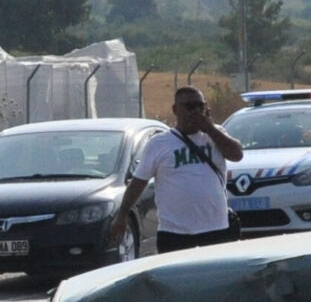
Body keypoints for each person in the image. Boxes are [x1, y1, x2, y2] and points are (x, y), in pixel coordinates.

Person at [105, 86, 245, 255]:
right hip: (176, 232)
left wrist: (209, 129)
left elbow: (237, 154)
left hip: (216, 227)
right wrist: (122, 216)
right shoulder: (159, 143)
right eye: (189, 106)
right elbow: (137, 183)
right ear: (175, 110)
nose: (195, 111)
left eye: (200, 106)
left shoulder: (215, 135)